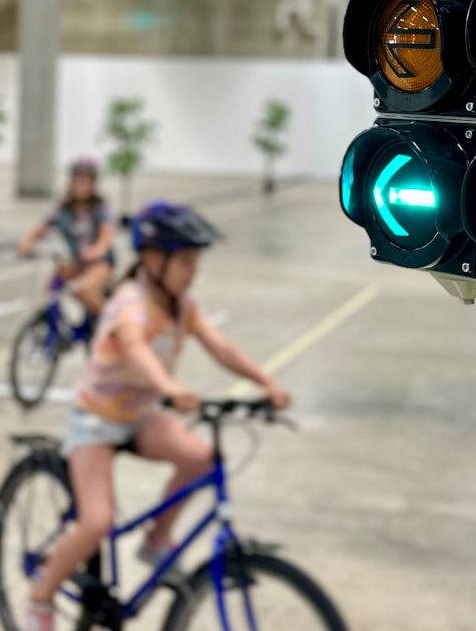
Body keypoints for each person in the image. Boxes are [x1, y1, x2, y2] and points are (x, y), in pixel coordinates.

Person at [24, 201, 292, 631]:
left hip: (140, 416)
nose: (193, 272)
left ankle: (157, 538)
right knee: (97, 521)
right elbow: (136, 350)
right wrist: (169, 387)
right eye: (185, 262)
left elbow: (221, 347)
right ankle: (40, 598)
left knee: (201, 458)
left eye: (195, 263)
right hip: (95, 420)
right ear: (152, 259)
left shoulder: (183, 307)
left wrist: (266, 382)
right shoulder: (128, 304)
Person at [16, 157, 116, 315]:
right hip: (77, 261)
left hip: (100, 263)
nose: (80, 184)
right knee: (52, 289)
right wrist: (27, 242)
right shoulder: (64, 209)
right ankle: (56, 323)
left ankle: (112, 322)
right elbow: (42, 227)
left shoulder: (101, 208)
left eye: (85, 180)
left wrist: (96, 250)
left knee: (82, 289)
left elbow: (105, 238)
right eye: (77, 180)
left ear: (93, 183)